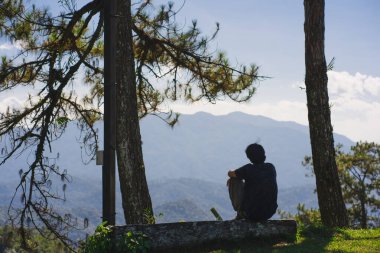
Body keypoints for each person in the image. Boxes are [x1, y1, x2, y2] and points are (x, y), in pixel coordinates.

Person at [227, 143, 278, 221]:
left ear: (249, 157)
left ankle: (240, 213)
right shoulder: (271, 167)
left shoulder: (248, 169)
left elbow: (230, 174)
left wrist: (232, 171)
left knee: (233, 180)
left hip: (250, 213)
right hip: (269, 212)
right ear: (264, 155)